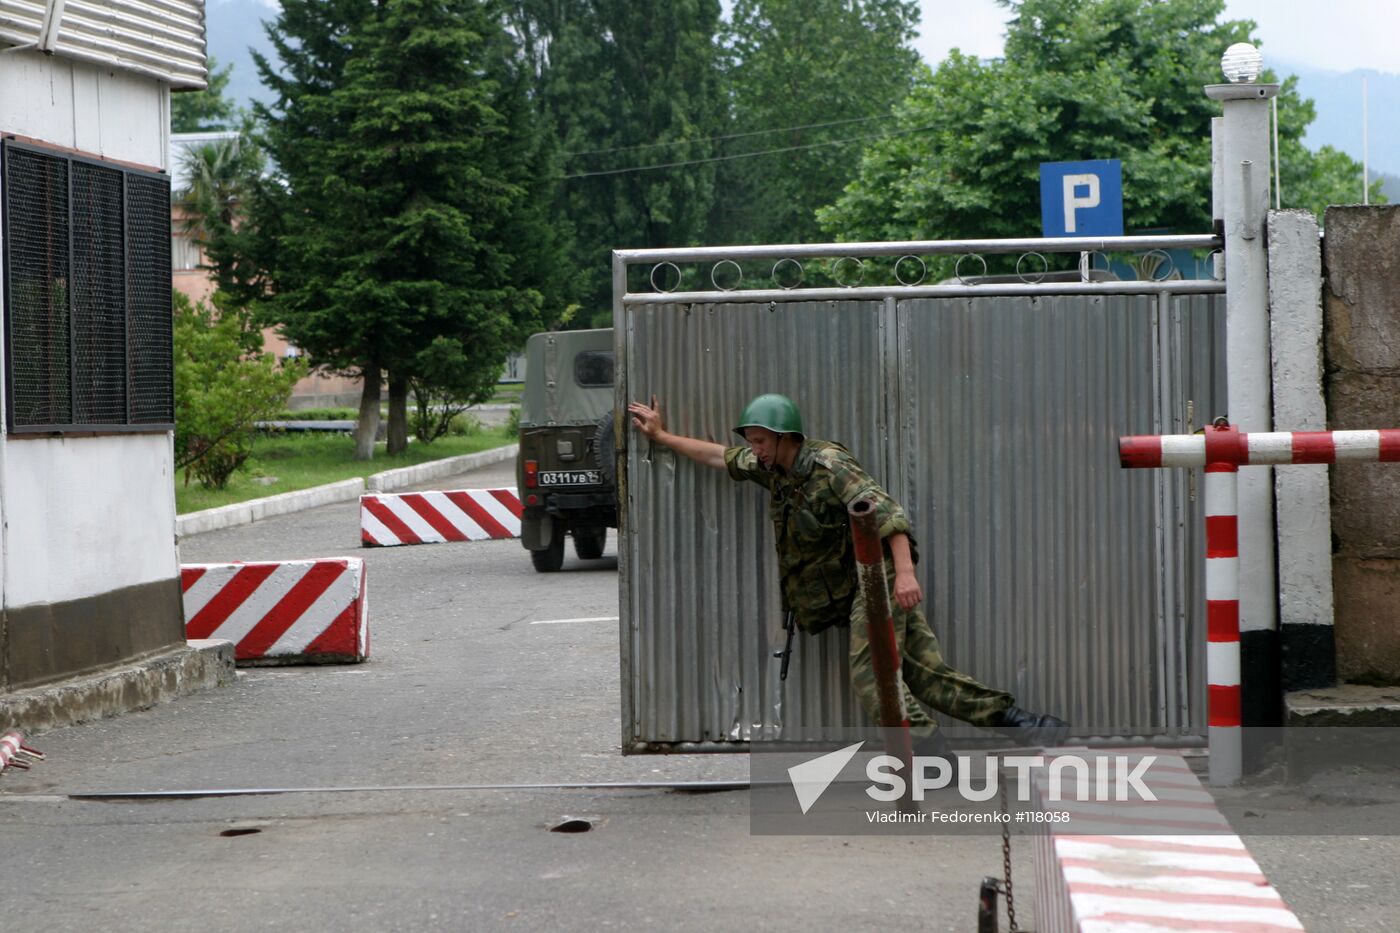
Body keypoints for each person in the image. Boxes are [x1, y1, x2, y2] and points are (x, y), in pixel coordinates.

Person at [626, 392, 1068, 756]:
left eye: (761, 441)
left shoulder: (828, 465)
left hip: (879, 581)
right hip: (858, 586)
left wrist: (905, 575)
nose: (755, 450)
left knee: (872, 674)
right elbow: (719, 457)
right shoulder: (777, 471)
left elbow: (886, 512)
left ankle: (934, 756)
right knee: (921, 673)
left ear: (786, 439)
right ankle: (1028, 725)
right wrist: (662, 436)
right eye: (753, 442)